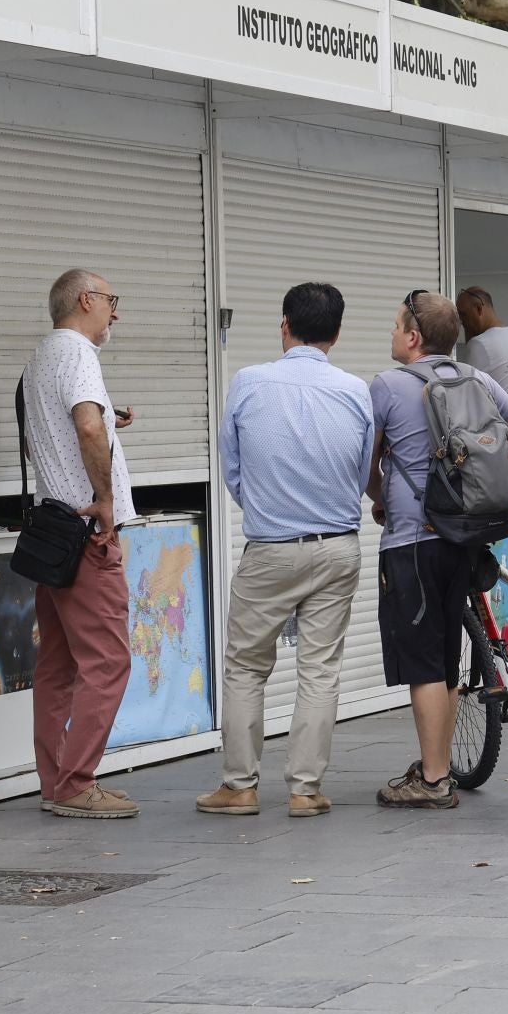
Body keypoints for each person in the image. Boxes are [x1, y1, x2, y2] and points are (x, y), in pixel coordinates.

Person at [198, 284, 374, 820]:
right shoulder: (355, 391)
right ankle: (305, 789)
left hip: (269, 549)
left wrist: (268, 507)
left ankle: (239, 786)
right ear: (336, 334)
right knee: (320, 668)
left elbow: (233, 470)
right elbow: (364, 471)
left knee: (246, 666)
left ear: (284, 325)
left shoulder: (248, 383)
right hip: (338, 548)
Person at [367, 291, 508, 808]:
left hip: (415, 539)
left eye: (397, 324)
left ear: (414, 336)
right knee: (446, 657)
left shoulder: (388, 385)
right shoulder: (478, 379)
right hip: (467, 535)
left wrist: (380, 500)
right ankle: (436, 766)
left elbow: (367, 463)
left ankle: (432, 781)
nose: (393, 333)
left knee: (423, 661)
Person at [23, 269, 139, 820]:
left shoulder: (42, 355)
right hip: (87, 534)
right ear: (86, 299)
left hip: (52, 531)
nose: (115, 312)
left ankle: (55, 780)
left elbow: (68, 427)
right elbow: (86, 428)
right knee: (109, 661)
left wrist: (110, 420)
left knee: (57, 664)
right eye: (111, 301)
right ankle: (77, 783)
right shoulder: (77, 353)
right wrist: (105, 500)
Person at [457, 286, 508, 405]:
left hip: (490, 420)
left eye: (463, 314)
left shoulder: (480, 344)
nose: (461, 321)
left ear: (479, 309)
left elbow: (466, 394)